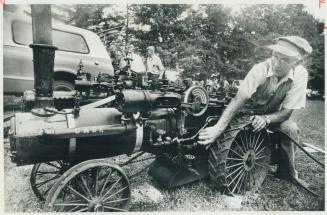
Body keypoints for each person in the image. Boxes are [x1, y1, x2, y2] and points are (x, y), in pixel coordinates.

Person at [198, 36, 312, 186]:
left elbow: (287, 112)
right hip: (244, 113)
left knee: (290, 128)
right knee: (220, 129)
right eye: (275, 56)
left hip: (271, 116)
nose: (277, 64)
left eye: (284, 60)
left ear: (296, 62)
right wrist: (218, 129)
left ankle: (288, 172)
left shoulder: (300, 74)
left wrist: (265, 119)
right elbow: (240, 98)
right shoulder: (260, 69)